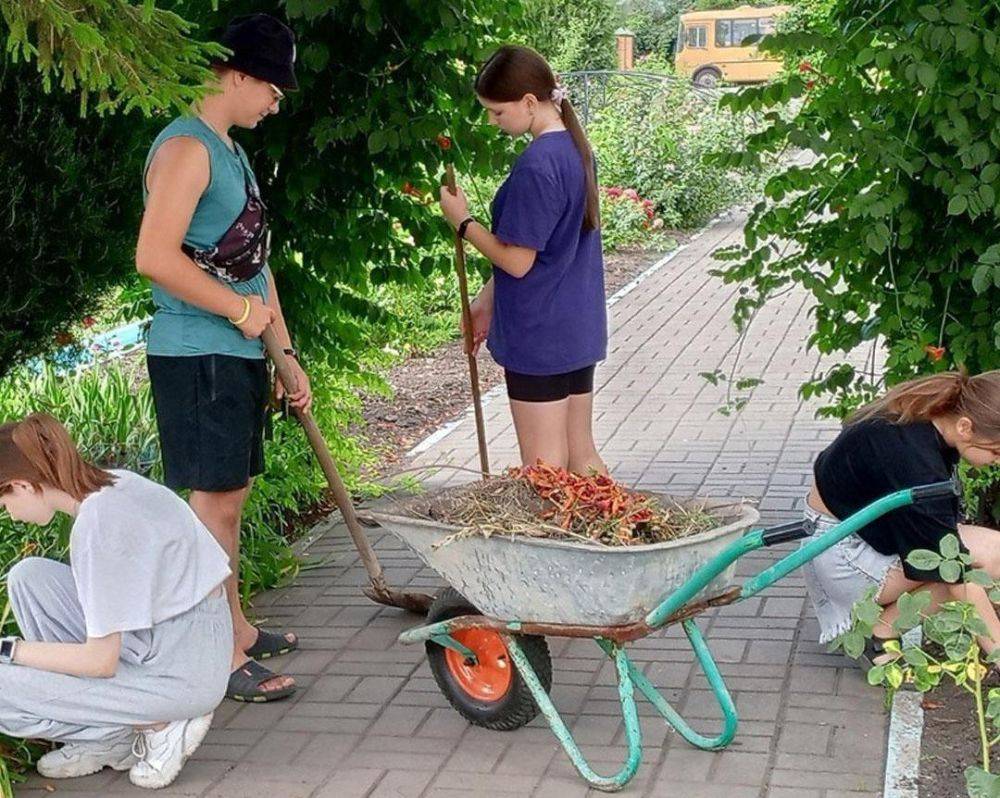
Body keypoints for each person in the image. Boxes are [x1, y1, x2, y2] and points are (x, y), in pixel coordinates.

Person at [135, 13, 309, 703]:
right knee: (216, 506)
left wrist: (286, 356)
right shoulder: (187, 149)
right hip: (196, 353)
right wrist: (240, 314)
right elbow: (153, 257)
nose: (277, 101)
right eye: (271, 86)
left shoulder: (227, 149)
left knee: (229, 501)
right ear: (237, 75)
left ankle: (233, 624)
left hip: (233, 352)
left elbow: (253, 266)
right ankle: (216, 652)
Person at [0, 414, 232, 789]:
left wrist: (9, 650)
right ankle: (110, 738)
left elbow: (99, 661)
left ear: (23, 485)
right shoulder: (117, 484)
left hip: (183, 675)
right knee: (30, 578)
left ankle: (160, 723)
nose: (9, 514)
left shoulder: (98, 529)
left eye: (4, 502)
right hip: (188, 637)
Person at [438, 45, 608, 474]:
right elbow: (548, 251)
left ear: (530, 102)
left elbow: (517, 262)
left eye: (497, 112)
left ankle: (561, 543)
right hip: (574, 326)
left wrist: (463, 222)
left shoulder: (537, 165)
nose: (493, 122)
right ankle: (614, 537)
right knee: (581, 456)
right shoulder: (577, 150)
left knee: (546, 468)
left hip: (540, 333)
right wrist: (486, 301)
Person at [801, 370, 1000, 659]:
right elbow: (953, 570)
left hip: (838, 536)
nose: (998, 461)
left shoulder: (923, 414)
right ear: (966, 427)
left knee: (981, 557)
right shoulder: (914, 462)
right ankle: (880, 632)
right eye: (996, 452)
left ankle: (886, 624)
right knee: (986, 560)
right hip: (842, 558)